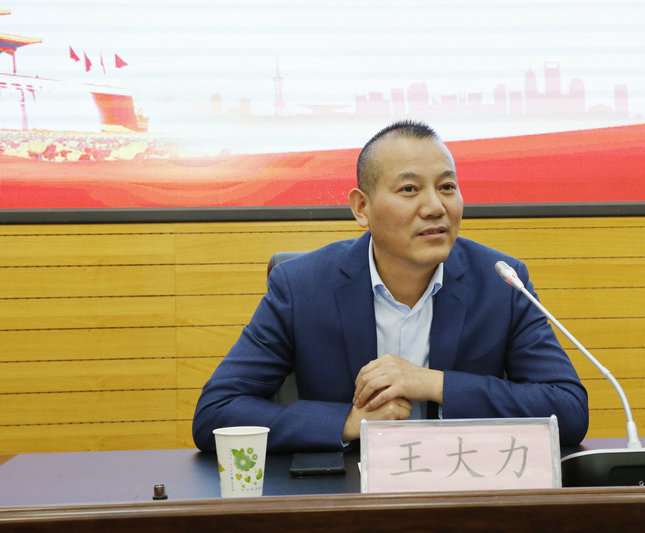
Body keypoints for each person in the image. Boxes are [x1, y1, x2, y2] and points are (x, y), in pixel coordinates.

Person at [192, 120, 588, 453]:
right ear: (362, 208)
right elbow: (217, 412)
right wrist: (347, 422)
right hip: (349, 498)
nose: (435, 207)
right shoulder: (302, 287)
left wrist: (435, 384)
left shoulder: (501, 282)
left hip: (461, 487)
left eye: (447, 187)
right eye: (409, 189)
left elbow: (568, 410)